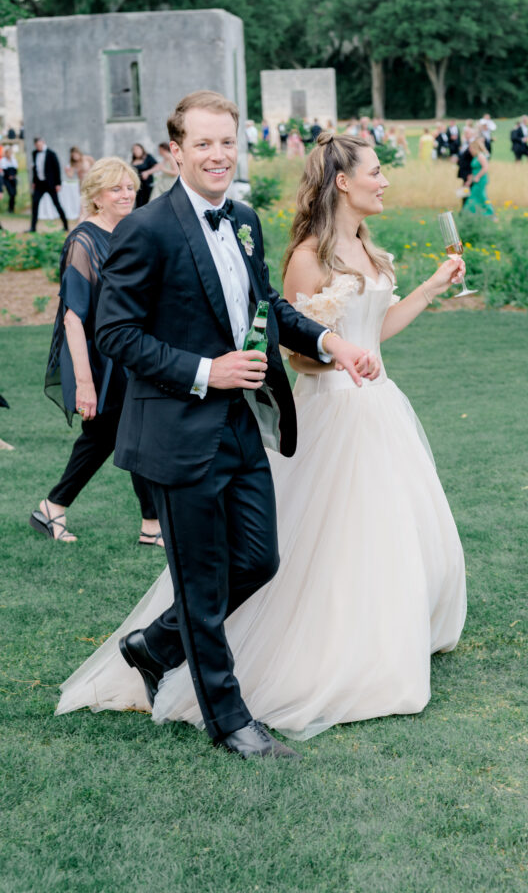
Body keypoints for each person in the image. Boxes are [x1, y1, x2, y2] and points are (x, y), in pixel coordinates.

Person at [56, 129, 467, 744]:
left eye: (227, 139)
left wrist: (341, 339)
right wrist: (210, 369)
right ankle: (228, 718)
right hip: (191, 420)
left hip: (292, 413)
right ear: (176, 152)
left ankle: (155, 643)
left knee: (261, 558)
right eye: (203, 142)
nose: (219, 153)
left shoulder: (244, 221)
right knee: (217, 566)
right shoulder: (147, 229)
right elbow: (113, 332)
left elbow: (270, 308)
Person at [29, 157, 161, 545]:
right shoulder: (83, 240)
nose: (126, 194)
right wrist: (85, 384)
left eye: (130, 187)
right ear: (96, 197)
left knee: (119, 436)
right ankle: (57, 509)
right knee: (119, 434)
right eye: (115, 188)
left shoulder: (132, 231)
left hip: (128, 353)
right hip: (98, 359)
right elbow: (73, 317)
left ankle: (55, 509)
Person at [29, 137, 68, 231]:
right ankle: (33, 228)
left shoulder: (51, 154)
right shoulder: (34, 153)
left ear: (43, 142)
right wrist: (34, 181)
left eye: (40, 144)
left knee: (57, 204)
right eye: (37, 145)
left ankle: (66, 226)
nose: (38, 146)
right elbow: (35, 169)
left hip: (50, 184)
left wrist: (58, 183)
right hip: (39, 184)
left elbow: (57, 168)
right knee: (35, 204)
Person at [463, 137, 492, 216]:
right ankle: (473, 214)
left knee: (481, 196)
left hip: (481, 180)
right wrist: (468, 181)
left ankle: (489, 213)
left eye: (471, 148)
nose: (470, 150)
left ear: (475, 148)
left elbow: (485, 167)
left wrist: (478, 177)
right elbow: (474, 170)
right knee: (474, 197)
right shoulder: (475, 157)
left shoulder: (480, 156)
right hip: (475, 180)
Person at [0, 147, 18, 212]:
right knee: (11, 193)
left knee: (14, 193)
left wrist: (13, 176)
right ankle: (10, 208)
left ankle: (12, 208)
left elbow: (15, 170)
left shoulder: (13, 160)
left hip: (13, 178)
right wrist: (9, 176)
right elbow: (4, 170)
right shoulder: (3, 161)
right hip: (6, 179)